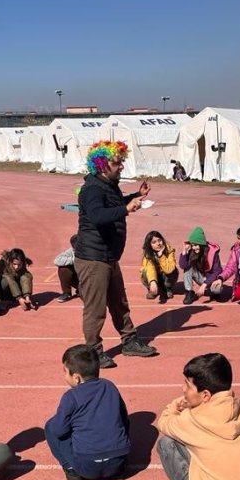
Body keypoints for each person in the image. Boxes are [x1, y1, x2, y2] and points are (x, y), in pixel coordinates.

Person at [74, 140, 157, 369]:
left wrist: (133, 197)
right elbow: (98, 215)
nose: (121, 165)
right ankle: (94, 352)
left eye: (121, 160)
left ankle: (129, 341)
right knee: (96, 309)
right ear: (101, 164)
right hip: (93, 258)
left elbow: (113, 203)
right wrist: (126, 209)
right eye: (116, 162)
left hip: (108, 256)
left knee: (119, 302)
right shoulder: (92, 188)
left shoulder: (107, 185)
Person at [44, 344, 131, 480]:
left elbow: (59, 431)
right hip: (117, 462)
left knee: (50, 426)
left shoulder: (71, 396)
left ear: (76, 378)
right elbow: (124, 418)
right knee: (120, 419)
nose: (63, 376)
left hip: (87, 467)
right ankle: (118, 472)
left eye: (65, 372)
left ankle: (73, 472)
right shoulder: (110, 386)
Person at [179, 226, 222, 305]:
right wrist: (184, 251)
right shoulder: (192, 251)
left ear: (202, 244)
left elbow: (217, 271)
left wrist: (204, 285)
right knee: (188, 268)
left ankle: (215, 293)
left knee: (216, 289)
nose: (194, 248)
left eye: (196, 245)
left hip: (211, 278)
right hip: (200, 277)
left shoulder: (212, 253)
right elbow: (183, 266)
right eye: (192, 245)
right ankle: (189, 292)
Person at [140, 230, 178, 303]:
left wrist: (161, 256)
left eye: (159, 240)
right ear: (150, 245)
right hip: (155, 278)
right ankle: (152, 289)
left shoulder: (169, 250)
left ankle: (167, 288)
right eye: (154, 242)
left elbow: (169, 269)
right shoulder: (147, 254)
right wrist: (152, 281)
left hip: (165, 277)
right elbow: (150, 268)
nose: (158, 244)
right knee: (145, 272)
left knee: (172, 270)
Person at [54, 234, 80, 303]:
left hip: (91, 279)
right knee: (63, 269)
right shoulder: (71, 251)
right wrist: (75, 260)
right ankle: (67, 293)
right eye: (74, 248)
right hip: (79, 277)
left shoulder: (93, 251)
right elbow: (57, 260)